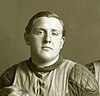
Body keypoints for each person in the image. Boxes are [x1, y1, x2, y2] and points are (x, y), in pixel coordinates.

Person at [0, 11, 99, 96]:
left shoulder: (78, 76)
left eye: (54, 33)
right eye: (40, 32)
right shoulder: (11, 76)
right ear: (27, 38)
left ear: (61, 42)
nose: (47, 39)